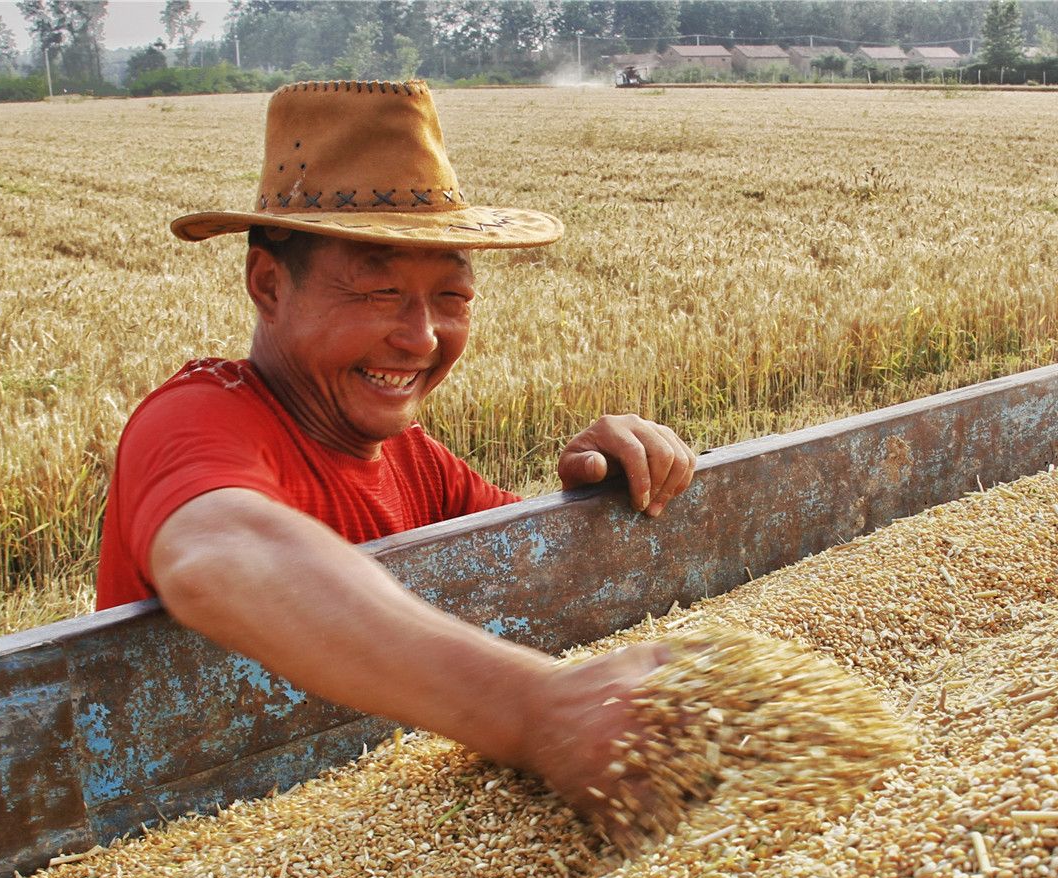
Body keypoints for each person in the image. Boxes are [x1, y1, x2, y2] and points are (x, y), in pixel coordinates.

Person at [94, 80, 697, 831]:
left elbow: (526, 584)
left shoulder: (411, 457)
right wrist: (537, 712)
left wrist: (587, 494)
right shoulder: (198, 418)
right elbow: (221, 552)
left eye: (452, 297)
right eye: (380, 292)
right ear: (269, 285)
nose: (421, 338)